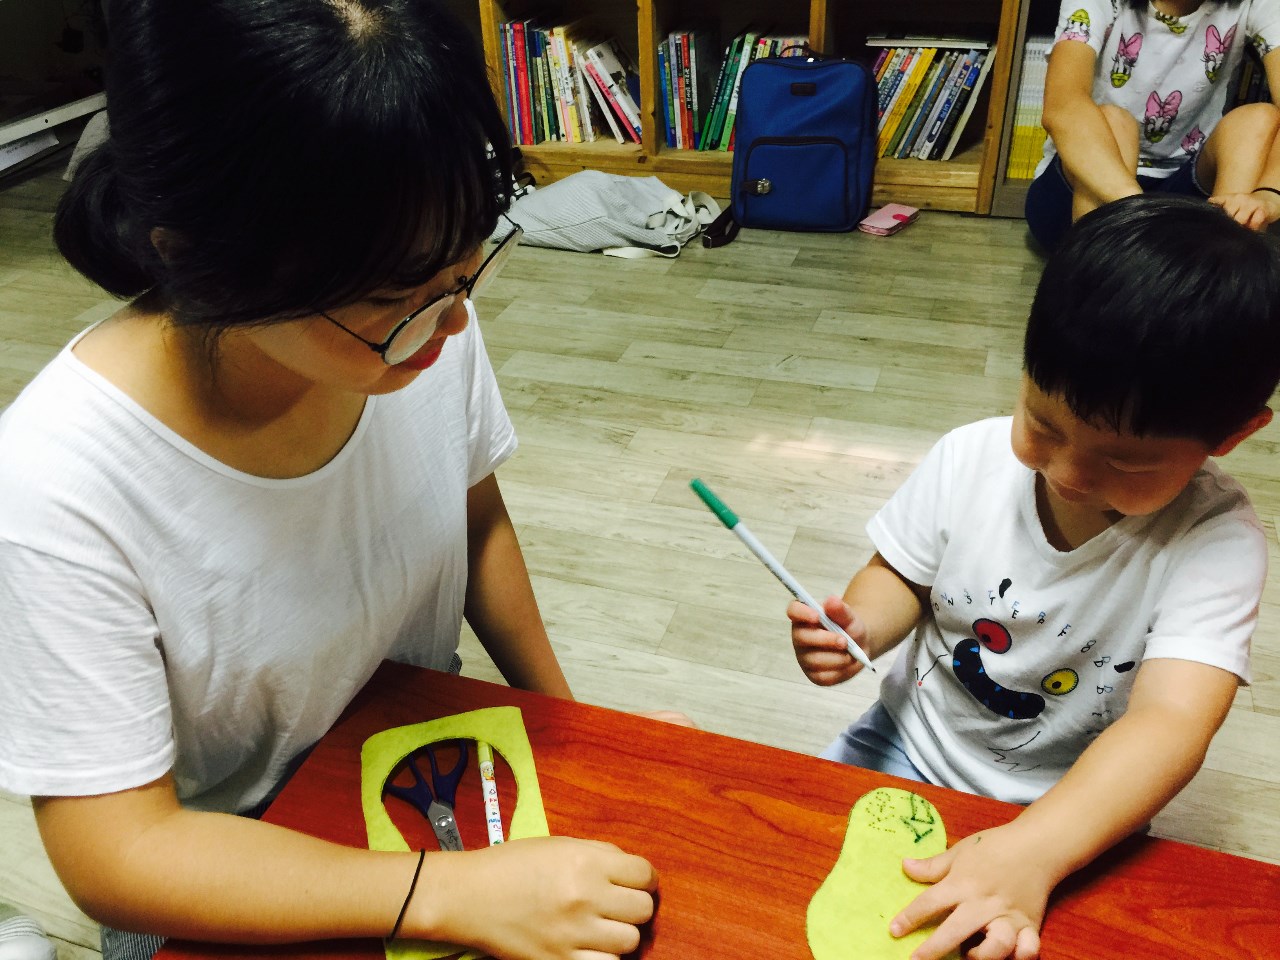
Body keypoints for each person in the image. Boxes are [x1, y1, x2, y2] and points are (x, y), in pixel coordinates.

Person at [0, 3, 668, 960]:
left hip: (418, 758)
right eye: (397, 296)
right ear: (195, 257)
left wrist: (581, 732)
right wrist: (442, 893)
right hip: (224, 860)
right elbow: (122, 855)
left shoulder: (422, 318)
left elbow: (476, 522)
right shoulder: (55, 483)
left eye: (466, 262)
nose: (451, 324)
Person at [789, 195, 1280, 960]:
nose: (1070, 474)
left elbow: (1171, 723)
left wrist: (1037, 849)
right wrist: (859, 627)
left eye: (1125, 461)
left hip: (1074, 809)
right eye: (1043, 425)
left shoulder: (1217, 543)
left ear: (1233, 434)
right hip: (906, 747)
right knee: (786, 882)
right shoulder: (969, 459)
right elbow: (901, 578)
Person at [1025, 0, 1280, 249]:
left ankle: (1223, 262)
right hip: (1084, 189)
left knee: (1258, 119)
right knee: (1115, 121)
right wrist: (1138, 208)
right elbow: (1062, 107)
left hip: (1184, 193)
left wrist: (1269, 196)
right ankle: (1100, 270)